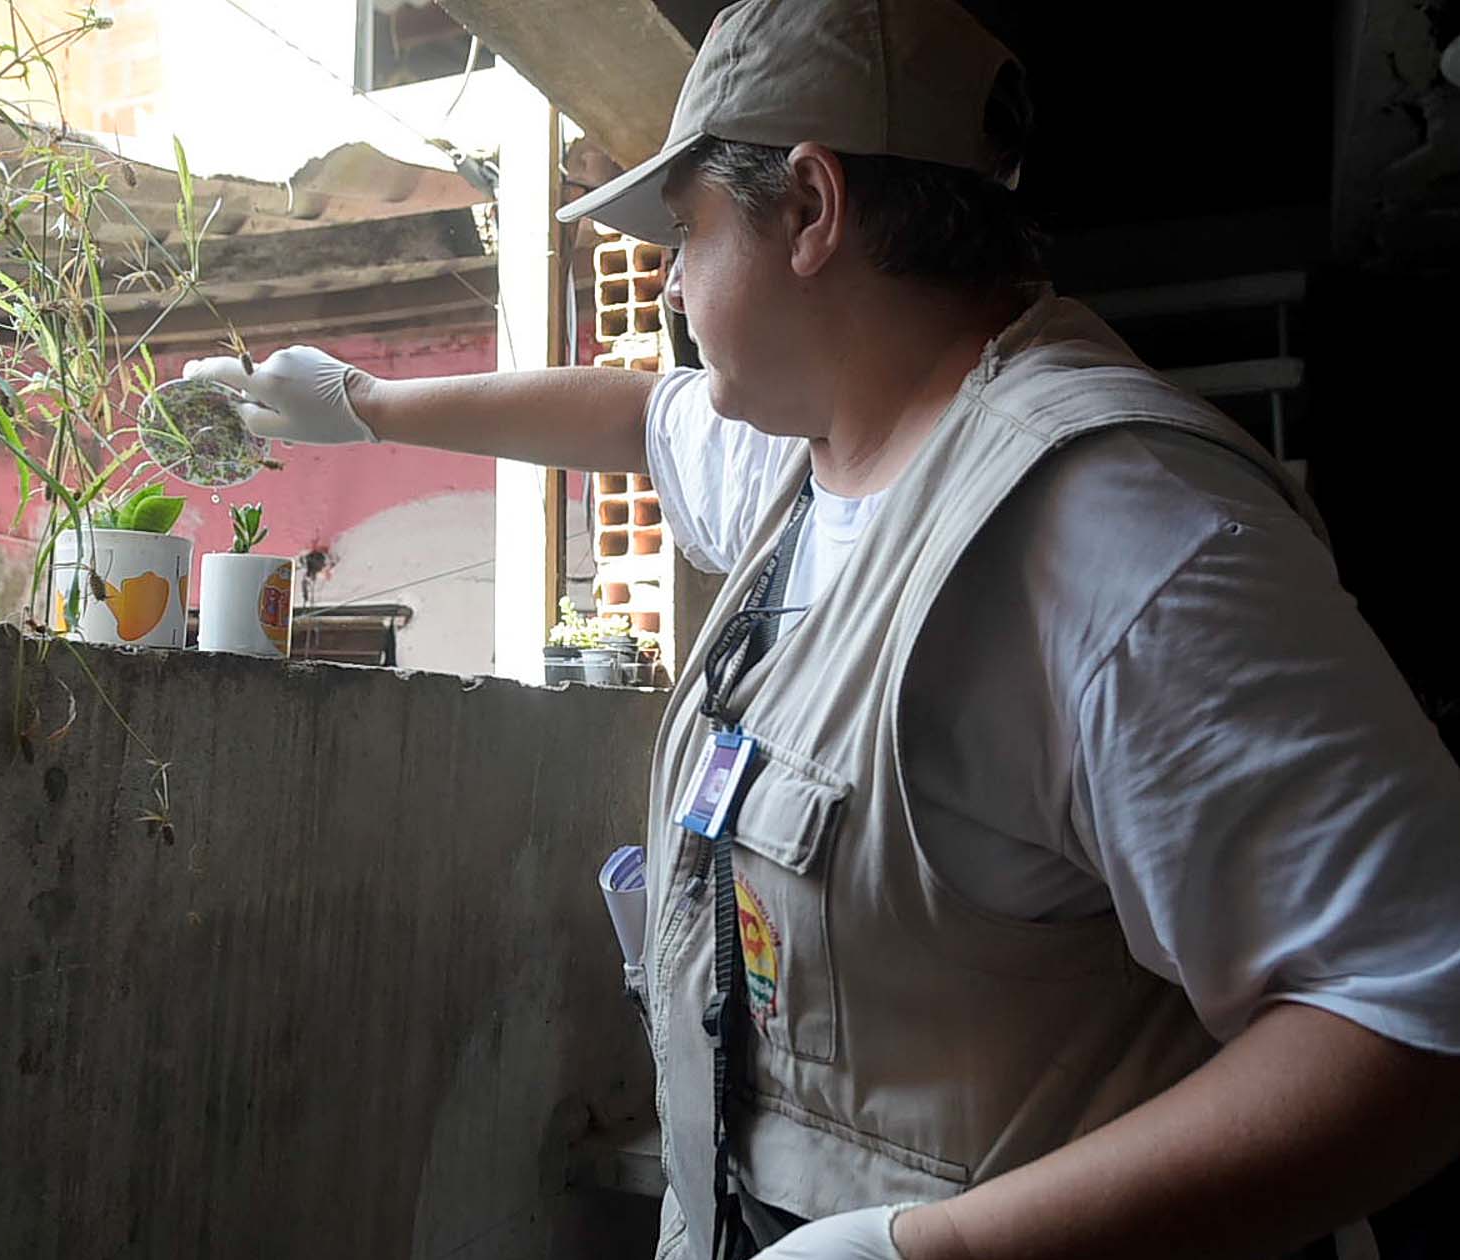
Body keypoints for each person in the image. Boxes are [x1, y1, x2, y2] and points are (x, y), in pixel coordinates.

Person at [185, 1, 1460, 1255]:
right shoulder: (814, 459)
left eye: (685, 231)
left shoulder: (1120, 537)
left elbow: (1413, 1021)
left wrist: (939, 1251)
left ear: (809, 210)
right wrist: (363, 406)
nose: (673, 280)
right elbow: (634, 417)